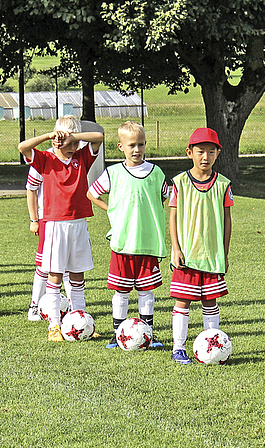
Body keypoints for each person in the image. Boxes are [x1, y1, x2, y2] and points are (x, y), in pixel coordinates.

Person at [17, 115, 104, 341]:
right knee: (55, 276)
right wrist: (49, 135)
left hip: (78, 223)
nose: (73, 147)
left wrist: (74, 137)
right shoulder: (45, 159)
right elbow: (22, 147)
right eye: (68, 143)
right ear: (57, 140)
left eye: (76, 143)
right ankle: (54, 326)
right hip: (55, 224)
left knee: (77, 276)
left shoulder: (81, 157)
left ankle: (81, 320)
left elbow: (99, 137)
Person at [87, 121, 168, 349]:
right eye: (131, 145)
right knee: (121, 291)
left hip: (148, 243)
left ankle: (148, 333)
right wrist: (111, 209)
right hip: (123, 243)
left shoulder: (156, 173)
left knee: (146, 290)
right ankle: (117, 332)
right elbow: (91, 193)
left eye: (141, 144)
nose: (137, 150)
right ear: (120, 146)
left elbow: (166, 196)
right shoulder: (113, 173)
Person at [169, 128, 233, 364]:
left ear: (218, 154)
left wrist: (224, 253)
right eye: (200, 152)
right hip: (187, 254)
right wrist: (176, 248)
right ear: (190, 153)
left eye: (211, 152)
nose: (205, 157)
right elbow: (173, 217)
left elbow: (227, 221)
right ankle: (178, 347)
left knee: (210, 301)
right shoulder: (179, 182)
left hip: (212, 255)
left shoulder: (223, 185)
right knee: (182, 300)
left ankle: (212, 345)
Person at [25, 164, 73, 321]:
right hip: (48, 219)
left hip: (71, 220)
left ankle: (73, 309)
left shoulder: (75, 159)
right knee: (44, 266)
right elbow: (31, 189)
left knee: (68, 266)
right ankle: (34, 306)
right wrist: (34, 219)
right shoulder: (44, 160)